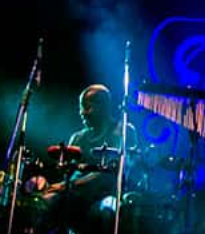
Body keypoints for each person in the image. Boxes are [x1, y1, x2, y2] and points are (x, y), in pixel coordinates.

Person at [36, 84, 139, 234]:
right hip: (78, 195)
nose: (82, 113)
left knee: (108, 210)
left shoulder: (123, 131)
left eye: (87, 107)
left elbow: (110, 173)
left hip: (108, 194)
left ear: (103, 106)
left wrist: (68, 185)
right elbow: (69, 173)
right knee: (43, 202)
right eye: (81, 107)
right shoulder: (78, 138)